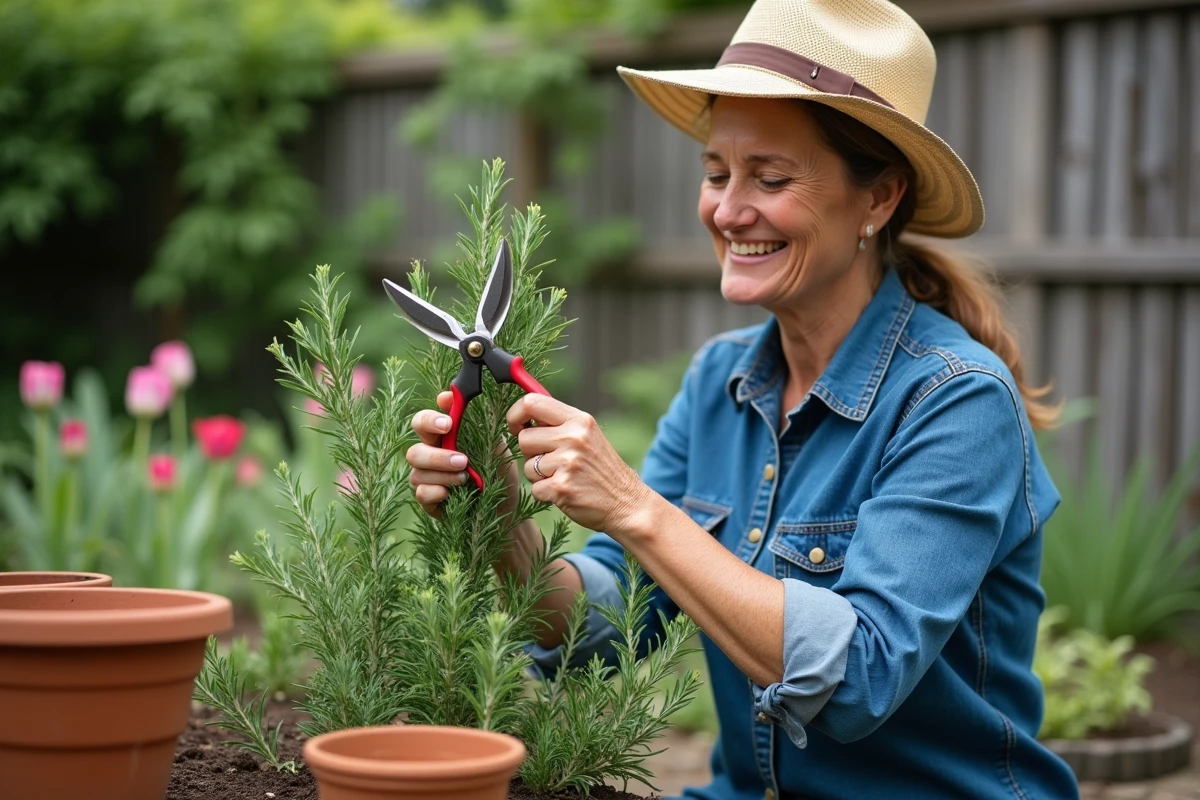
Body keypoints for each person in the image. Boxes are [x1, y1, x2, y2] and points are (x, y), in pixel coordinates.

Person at [406, 0, 1080, 797]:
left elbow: (859, 673)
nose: (727, 211)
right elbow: (597, 631)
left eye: (770, 177)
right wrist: (502, 516)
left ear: (878, 198)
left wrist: (633, 506)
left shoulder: (956, 402)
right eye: (717, 173)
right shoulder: (719, 382)